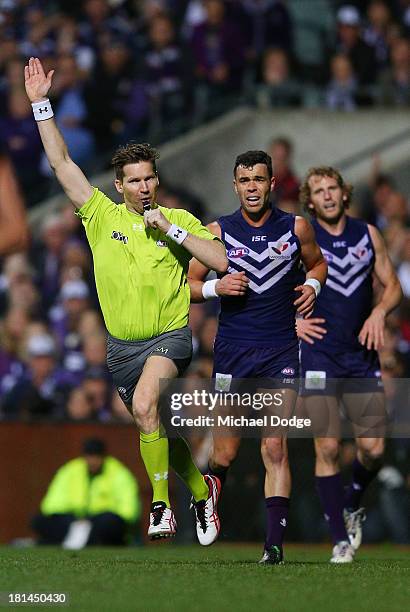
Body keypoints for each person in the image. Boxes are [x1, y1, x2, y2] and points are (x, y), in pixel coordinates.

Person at [24, 56, 228, 545]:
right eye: (133, 180)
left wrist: (173, 228)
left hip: (170, 337)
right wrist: (41, 107)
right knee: (148, 418)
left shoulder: (178, 220)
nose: (143, 186)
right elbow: (61, 164)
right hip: (121, 349)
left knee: (143, 403)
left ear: (157, 180)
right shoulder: (100, 216)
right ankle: (202, 495)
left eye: (149, 178)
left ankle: (161, 507)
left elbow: (220, 261)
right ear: (120, 186)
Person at [188, 150, 327, 563]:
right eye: (245, 180)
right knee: (226, 452)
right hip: (233, 353)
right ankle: (208, 496)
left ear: (271, 184)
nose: (252, 187)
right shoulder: (218, 231)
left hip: (281, 350)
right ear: (236, 186)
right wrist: (217, 289)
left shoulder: (295, 227)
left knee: (274, 447)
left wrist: (313, 288)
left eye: (259, 179)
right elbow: (189, 284)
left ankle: (274, 546)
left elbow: (317, 265)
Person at [297, 166, 402, 563]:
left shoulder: (366, 234)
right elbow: (271, 285)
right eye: (319, 190)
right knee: (326, 445)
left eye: (332, 188)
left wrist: (379, 314)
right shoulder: (303, 235)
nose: (326, 195)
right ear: (310, 200)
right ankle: (340, 540)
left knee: (373, 449)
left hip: (360, 355)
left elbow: (392, 284)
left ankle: (352, 501)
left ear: (344, 193)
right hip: (320, 355)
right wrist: (292, 321)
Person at [32, 438, 140, 548]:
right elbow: (50, 505)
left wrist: (91, 521)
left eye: (96, 457)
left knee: (110, 523)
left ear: (103, 457)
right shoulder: (71, 470)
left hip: (101, 522)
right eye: (89, 456)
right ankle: (82, 539)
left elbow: (128, 511)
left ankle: (76, 540)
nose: (92, 461)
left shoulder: (118, 473)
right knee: (40, 521)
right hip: (74, 521)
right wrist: (74, 520)